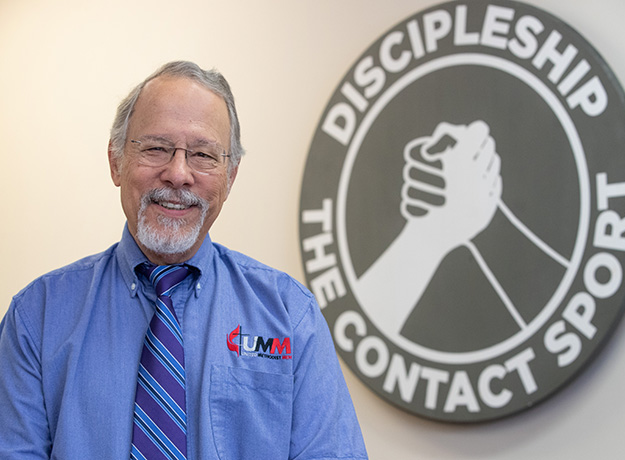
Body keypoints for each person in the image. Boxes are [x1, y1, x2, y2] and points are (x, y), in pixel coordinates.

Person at [0, 61, 368, 459]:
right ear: (115, 162)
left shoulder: (291, 315)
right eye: (156, 148)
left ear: (230, 176)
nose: (178, 174)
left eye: (203, 155)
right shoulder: (35, 318)